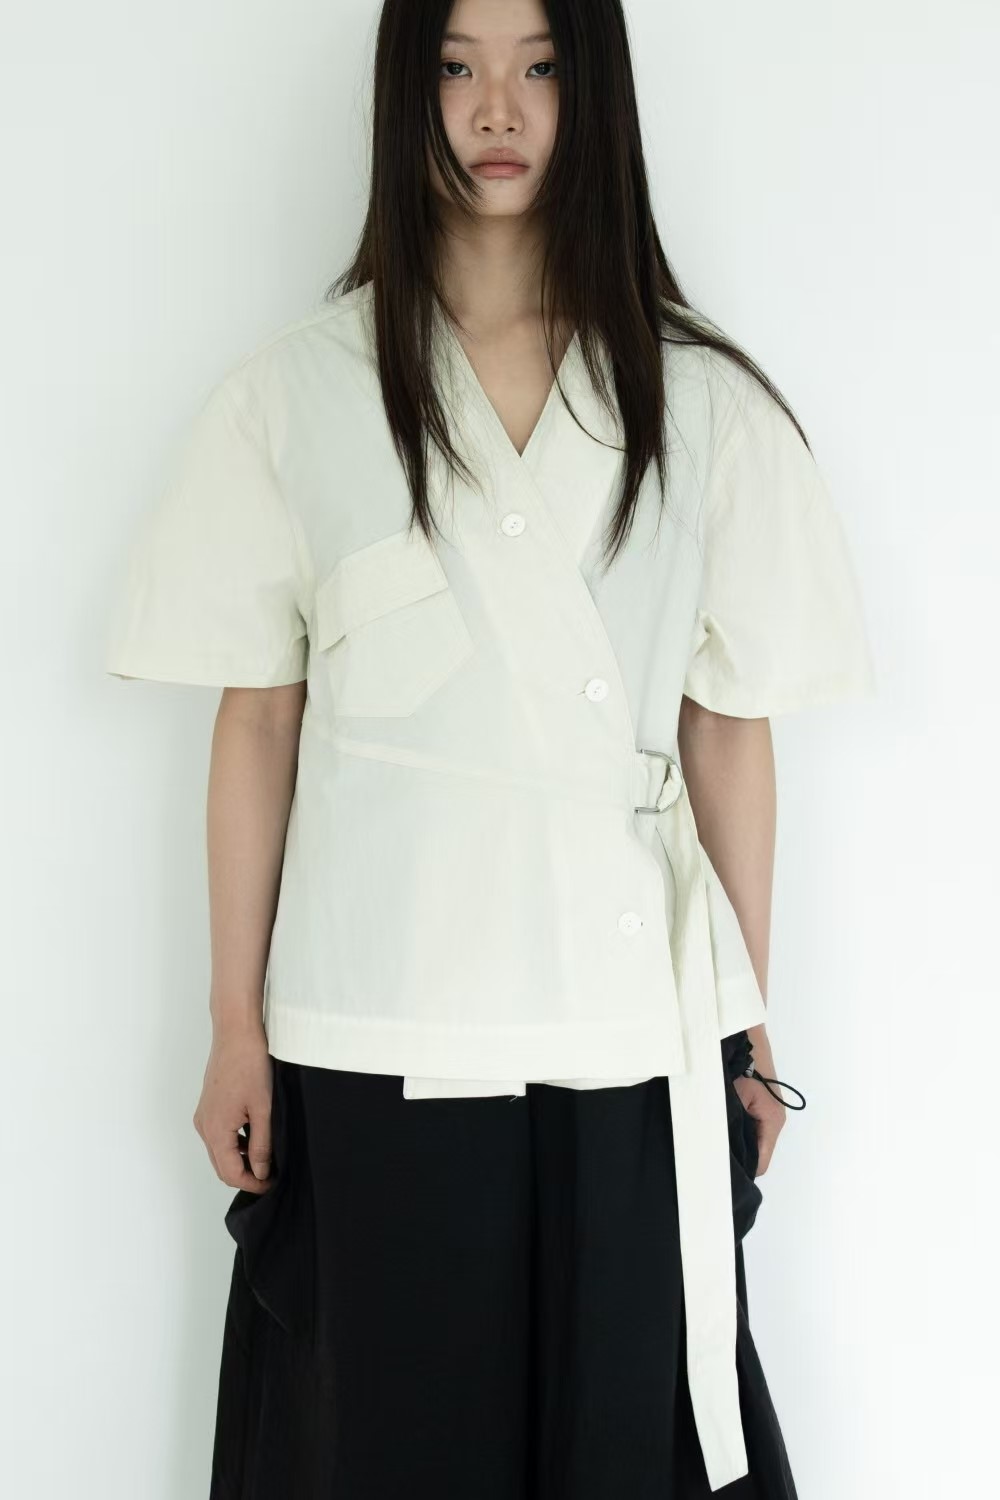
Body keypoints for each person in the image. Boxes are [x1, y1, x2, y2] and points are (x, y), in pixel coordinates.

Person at [104, 1, 876, 1495]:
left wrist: (748, 1023)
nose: (497, 109)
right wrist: (231, 1021)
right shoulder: (298, 392)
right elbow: (257, 717)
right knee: (385, 1450)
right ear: (410, 93)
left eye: (539, 68)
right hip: (373, 1021)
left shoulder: (701, 400)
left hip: (624, 1033)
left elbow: (729, 725)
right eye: (456, 67)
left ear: (596, 97)